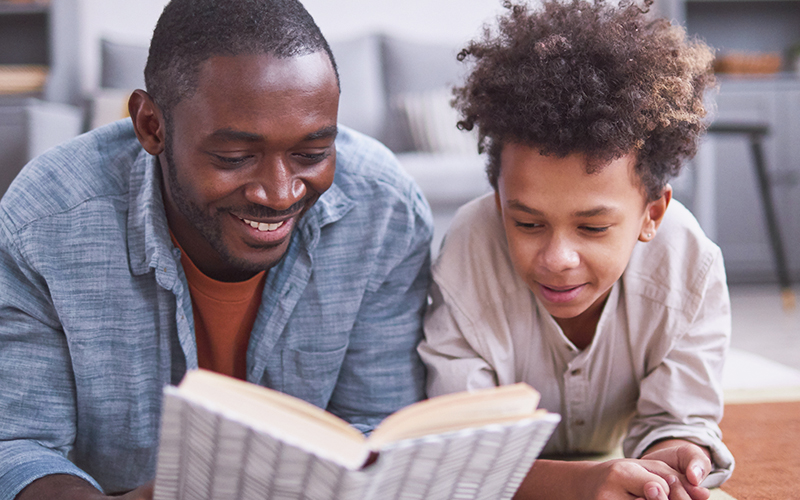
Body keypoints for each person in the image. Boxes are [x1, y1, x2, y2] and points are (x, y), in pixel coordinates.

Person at [0, 0, 432, 499]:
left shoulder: (383, 213)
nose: (280, 192)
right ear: (150, 126)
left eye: (312, 155)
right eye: (234, 157)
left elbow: (377, 424)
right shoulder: (46, 223)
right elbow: (18, 443)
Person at [417, 1, 734, 499]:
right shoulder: (470, 250)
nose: (557, 258)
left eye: (592, 228)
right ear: (499, 201)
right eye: (526, 222)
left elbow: (680, 418)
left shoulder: (688, 266)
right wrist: (580, 483)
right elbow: (461, 454)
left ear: (652, 214)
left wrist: (672, 452)